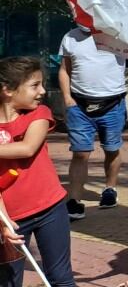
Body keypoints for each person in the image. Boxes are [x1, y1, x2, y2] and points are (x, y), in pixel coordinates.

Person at [0, 57, 74, 287]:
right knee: (9, 282)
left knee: (61, 278)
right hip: (11, 218)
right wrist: (4, 223)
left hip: (51, 209)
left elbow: (28, 148)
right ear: (8, 90)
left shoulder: (39, 113)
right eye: (35, 85)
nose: (42, 90)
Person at [57, 17, 128, 219]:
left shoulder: (117, 35)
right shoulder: (70, 37)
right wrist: (67, 99)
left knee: (112, 149)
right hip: (79, 106)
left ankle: (110, 189)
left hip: (113, 105)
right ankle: (75, 200)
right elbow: (64, 69)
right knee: (80, 153)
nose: (77, 15)